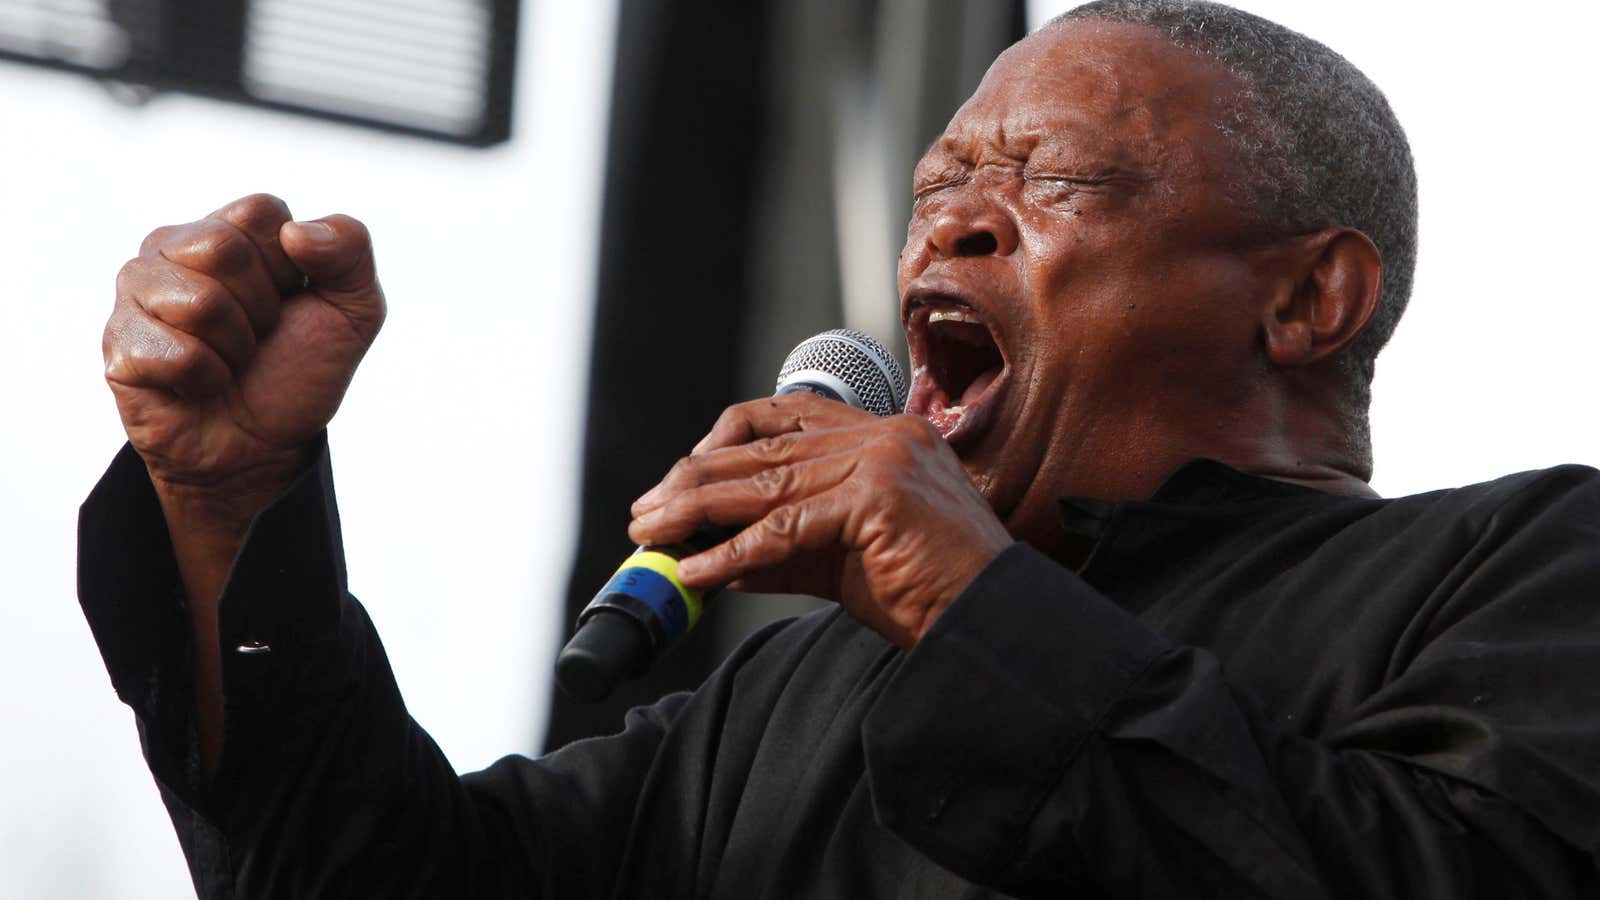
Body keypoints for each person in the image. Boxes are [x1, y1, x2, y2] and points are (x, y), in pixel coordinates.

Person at [79, 2, 1600, 897]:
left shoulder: (1528, 569)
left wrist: (965, 607)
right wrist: (229, 498)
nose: (950, 219)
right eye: (938, 183)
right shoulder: (788, 697)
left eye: (1050, 177)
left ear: (1307, 298)